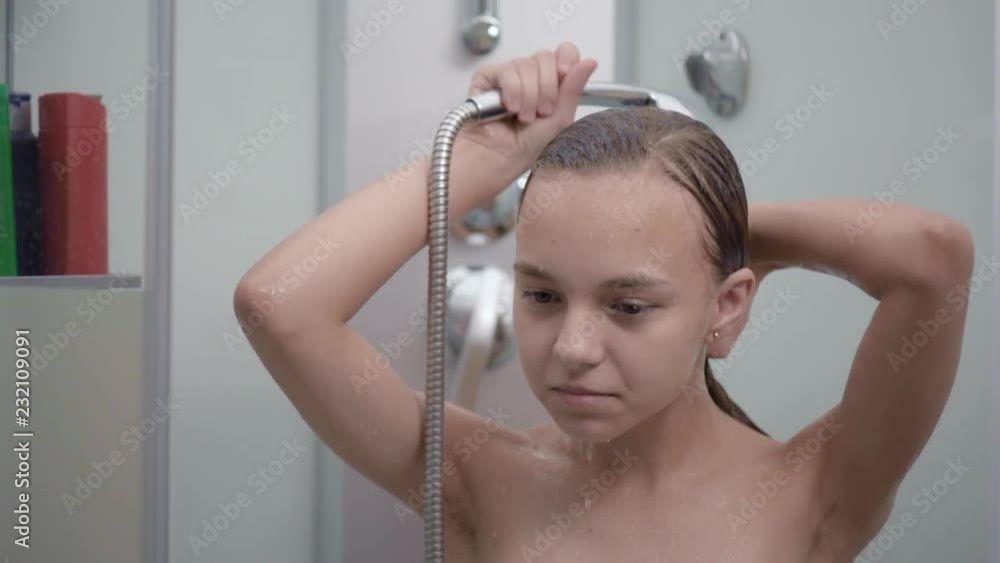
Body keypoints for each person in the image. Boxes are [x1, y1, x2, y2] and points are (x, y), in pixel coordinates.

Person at [233, 42, 975, 562]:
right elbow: (279, 305)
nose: (571, 347)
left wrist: (702, 223)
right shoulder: (480, 479)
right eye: (543, 294)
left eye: (628, 304)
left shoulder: (815, 491)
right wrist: (487, 159)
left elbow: (932, 260)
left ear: (727, 307)